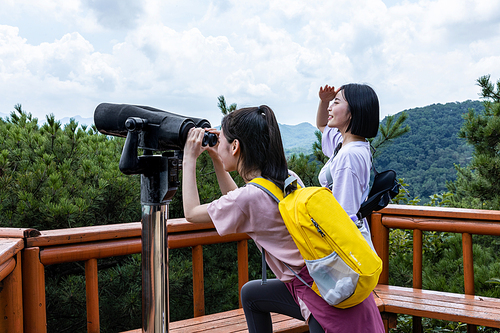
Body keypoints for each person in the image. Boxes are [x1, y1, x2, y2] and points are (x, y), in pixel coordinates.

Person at [182, 105, 384, 333]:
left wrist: (189, 158)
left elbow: (191, 212)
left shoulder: (249, 198)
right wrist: (218, 158)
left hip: (319, 293)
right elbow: (238, 201)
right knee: (252, 294)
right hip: (330, 276)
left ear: (236, 146)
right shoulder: (287, 178)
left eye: (225, 142)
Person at [316, 83, 380, 248]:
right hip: (349, 243)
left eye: (336, 103)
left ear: (353, 111)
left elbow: (345, 214)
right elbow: (322, 125)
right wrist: (324, 101)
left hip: (344, 249)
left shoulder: (349, 155)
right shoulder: (348, 144)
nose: (330, 108)